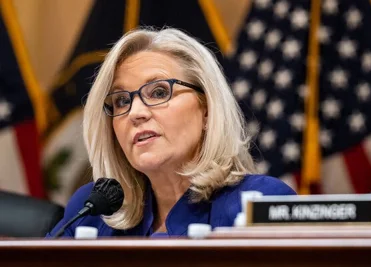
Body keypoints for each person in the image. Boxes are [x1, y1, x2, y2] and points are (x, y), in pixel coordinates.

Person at [46, 27, 296, 238]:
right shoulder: (93, 213)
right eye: (122, 100)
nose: (135, 112)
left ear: (207, 108)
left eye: (158, 92)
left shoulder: (260, 203)